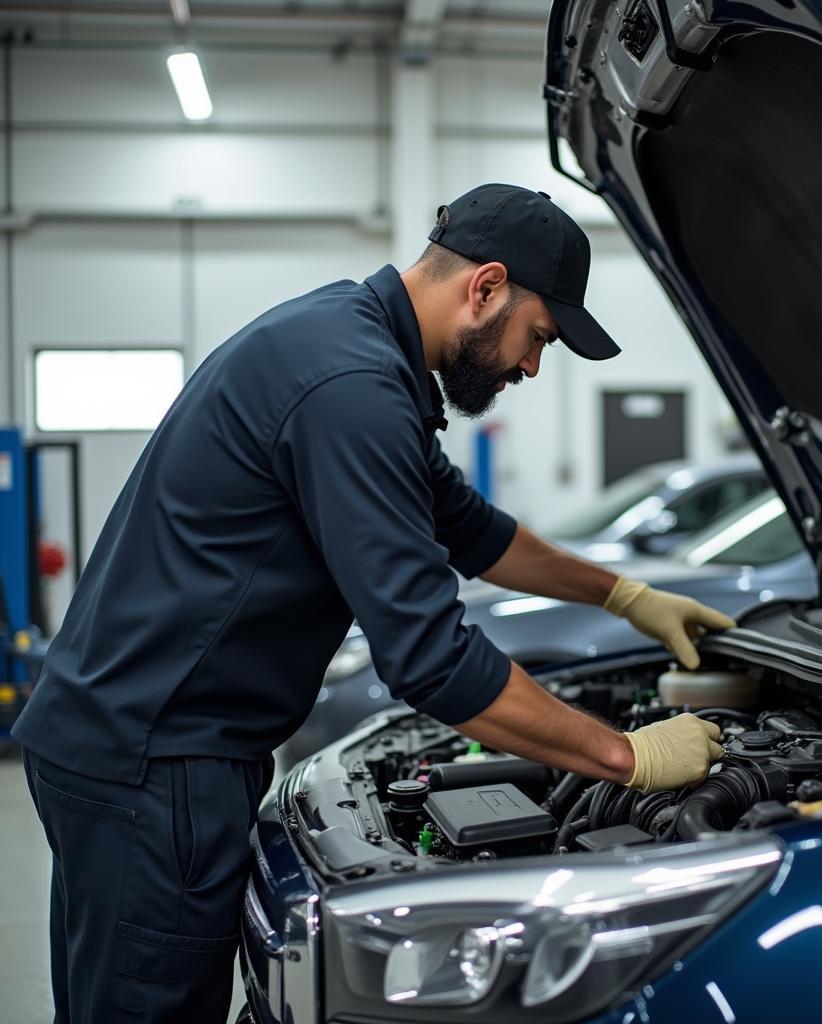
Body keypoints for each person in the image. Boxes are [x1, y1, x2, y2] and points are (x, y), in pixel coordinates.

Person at [14, 183, 735, 1024]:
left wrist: (624, 593)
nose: (534, 367)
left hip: (130, 739)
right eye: (539, 337)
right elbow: (432, 661)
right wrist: (627, 758)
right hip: (157, 760)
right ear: (486, 287)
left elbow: (472, 530)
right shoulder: (354, 386)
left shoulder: (343, 340)